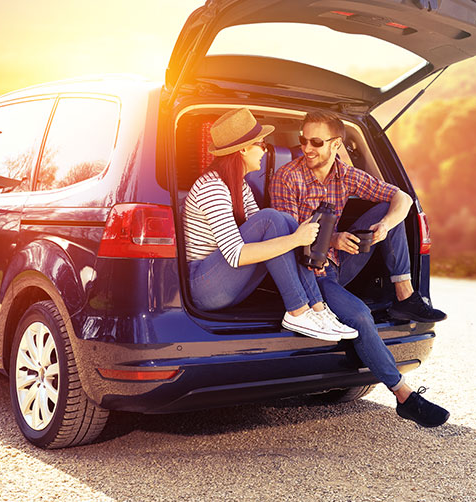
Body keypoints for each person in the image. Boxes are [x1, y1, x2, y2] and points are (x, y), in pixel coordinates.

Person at [270, 110, 449, 428]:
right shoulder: (288, 177)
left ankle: (404, 295)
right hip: (311, 274)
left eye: (315, 141)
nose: (306, 148)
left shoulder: (346, 175)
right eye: (303, 140)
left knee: (387, 210)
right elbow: (289, 240)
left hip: (339, 263)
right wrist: (335, 238)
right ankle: (405, 396)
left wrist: (383, 227)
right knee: (361, 315)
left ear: (337, 144)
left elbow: (402, 198)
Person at [183, 107, 358, 342]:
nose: (265, 151)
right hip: (205, 287)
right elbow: (236, 255)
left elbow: (270, 234)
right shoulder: (212, 188)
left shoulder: (240, 186)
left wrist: (294, 235)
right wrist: (296, 239)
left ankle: (317, 308)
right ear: (243, 149)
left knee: (283, 220)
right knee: (274, 219)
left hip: (227, 284)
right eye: (262, 144)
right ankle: (297, 310)